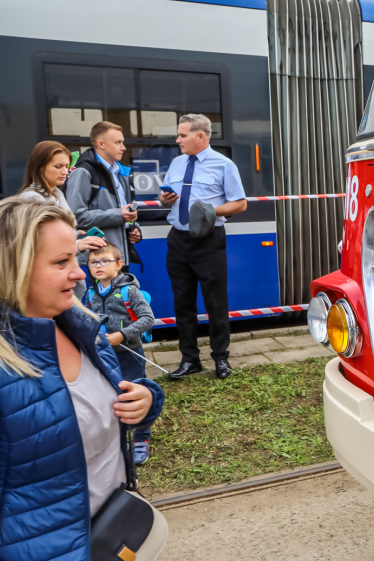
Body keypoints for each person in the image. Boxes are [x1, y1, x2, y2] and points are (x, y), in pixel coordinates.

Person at [0, 198, 168, 561]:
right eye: (61, 262)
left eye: (76, 259)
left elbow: (105, 407)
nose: (81, 273)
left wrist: (145, 400)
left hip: (108, 534)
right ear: (12, 268)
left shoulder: (82, 326)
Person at [158, 114, 246, 380]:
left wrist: (210, 211)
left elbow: (240, 203)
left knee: (215, 302)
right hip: (178, 240)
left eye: (182, 135)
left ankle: (221, 358)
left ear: (200, 136)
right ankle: (190, 359)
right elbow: (165, 200)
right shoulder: (177, 163)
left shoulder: (224, 165)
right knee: (182, 302)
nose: (178, 140)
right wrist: (165, 199)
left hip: (209, 239)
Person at [87, 241, 156, 464]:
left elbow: (148, 319)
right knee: (109, 396)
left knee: (134, 394)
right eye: (93, 262)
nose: (98, 266)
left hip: (129, 354)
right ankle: (116, 437)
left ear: (119, 264)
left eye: (104, 261)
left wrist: (123, 335)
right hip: (103, 356)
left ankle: (141, 437)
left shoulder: (129, 291)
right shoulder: (90, 293)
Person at [18, 140, 108, 300]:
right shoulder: (32, 199)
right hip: (47, 285)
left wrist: (75, 235)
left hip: (60, 281)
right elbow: (37, 245)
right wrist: (77, 245)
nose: (65, 171)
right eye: (58, 166)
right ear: (40, 167)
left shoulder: (57, 195)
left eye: (67, 166)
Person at [67, 122, 142, 270]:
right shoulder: (83, 172)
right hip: (98, 260)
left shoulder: (121, 172)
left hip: (118, 256)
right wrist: (119, 215)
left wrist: (134, 229)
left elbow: (123, 210)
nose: (123, 147)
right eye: (118, 142)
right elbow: (76, 217)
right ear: (101, 144)